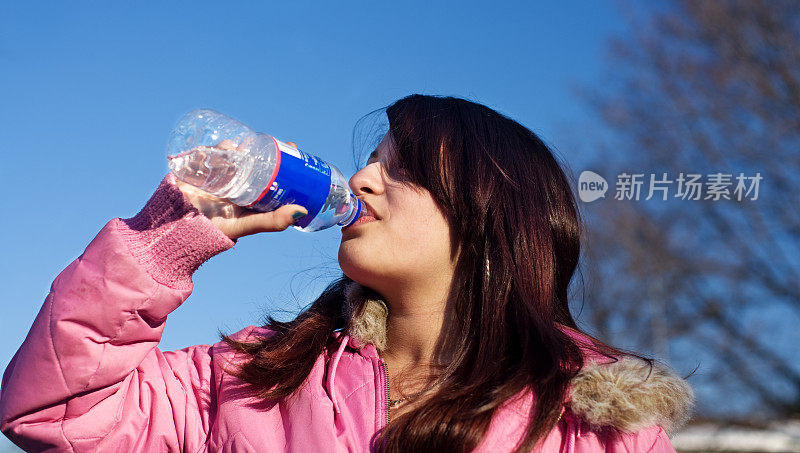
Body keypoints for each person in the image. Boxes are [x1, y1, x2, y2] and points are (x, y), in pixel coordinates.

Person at [0, 95, 693, 452]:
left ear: (491, 214)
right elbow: (57, 412)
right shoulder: (255, 377)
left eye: (404, 169)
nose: (362, 177)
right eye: (373, 161)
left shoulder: (594, 420)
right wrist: (162, 242)